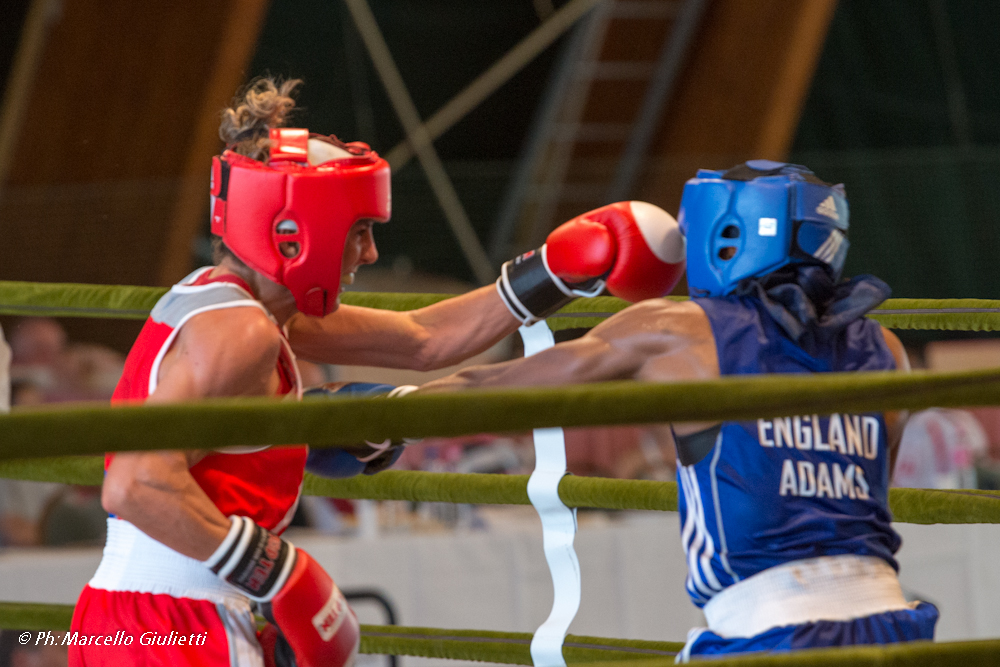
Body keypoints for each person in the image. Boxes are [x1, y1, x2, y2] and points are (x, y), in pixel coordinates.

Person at [68, 78, 683, 667]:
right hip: (172, 622)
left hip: (123, 620)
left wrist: (551, 273)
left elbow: (425, 339)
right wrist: (279, 574)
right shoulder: (241, 332)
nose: (370, 253)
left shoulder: (242, 303)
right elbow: (133, 485)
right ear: (294, 233)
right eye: (358, 231)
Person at [421, 160, 939, 660]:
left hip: (767, 630)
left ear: (730, 232)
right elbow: (866, 501)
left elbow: (499, 387)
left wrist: (383, 416)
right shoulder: (887, 351)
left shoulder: (678, 331)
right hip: (892, 623)